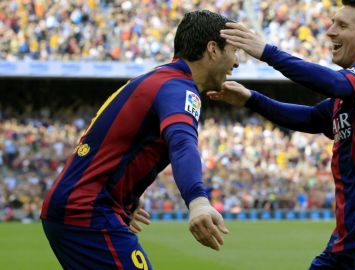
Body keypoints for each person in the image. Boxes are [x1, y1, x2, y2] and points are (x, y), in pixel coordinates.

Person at [208, 0, 355, 269]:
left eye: (341, 25)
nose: (330, 31)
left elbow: (330, 82)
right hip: (349, 236)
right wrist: (251, 99)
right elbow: (310, 118)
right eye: (332, 23)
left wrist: (267, 52)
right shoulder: (350, 96)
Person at [41, 10, 239, 269]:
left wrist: (124, 196)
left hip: (81, 207)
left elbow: (111, 146)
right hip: (88, 212)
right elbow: (182, 143)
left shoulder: (159, 80)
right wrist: (198, 201)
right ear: (213, 49)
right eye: (234, 51)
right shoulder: (178, 89)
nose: (236, 62)